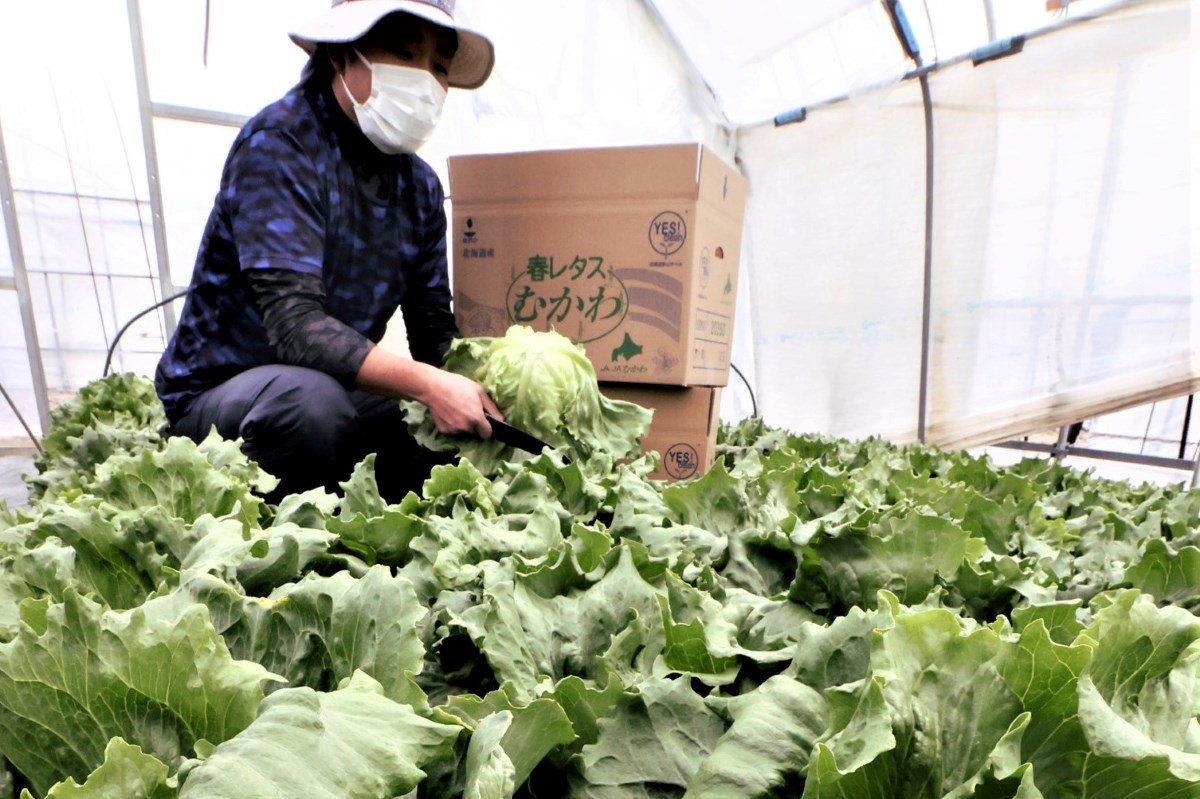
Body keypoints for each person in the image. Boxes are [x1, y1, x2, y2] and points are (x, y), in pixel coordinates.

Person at [154, 0, 502, 503]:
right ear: (343, 56)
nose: (425, 80)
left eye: (440, 67)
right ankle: (287, 557)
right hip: (222, 397)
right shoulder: (281, 145)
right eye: (404, 54)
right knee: (309, 409)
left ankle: (376, 540)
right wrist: (428, 383)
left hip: (331, 385)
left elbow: (432, 329)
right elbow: (295, 327)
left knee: (441, 430)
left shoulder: (420, 188)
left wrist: (482, 389)